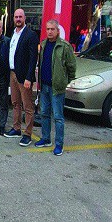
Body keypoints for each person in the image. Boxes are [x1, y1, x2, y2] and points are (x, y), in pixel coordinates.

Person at [35, 20, 77, 156]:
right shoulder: (43, 44)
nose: (49, 32)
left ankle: (59, 144)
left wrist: (65, 81)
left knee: (58, 117)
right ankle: (46, 138)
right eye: (47, 29)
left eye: (52, 29)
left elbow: (72, 66)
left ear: (57, 31)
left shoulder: (64, 46)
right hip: (45, 86)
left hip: (57, 88)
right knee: (44, 114)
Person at [3, 9, 39, 147]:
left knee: (27, 106)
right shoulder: (13, 33)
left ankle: (27, 134)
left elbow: (32, 58)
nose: (18, 19)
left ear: (25, 18)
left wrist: (29, 77)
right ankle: (16, 128)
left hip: (24, 76)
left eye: (20, 17)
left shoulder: (30, 35)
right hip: (12, 73)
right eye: (16, 17)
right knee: (15, 103)